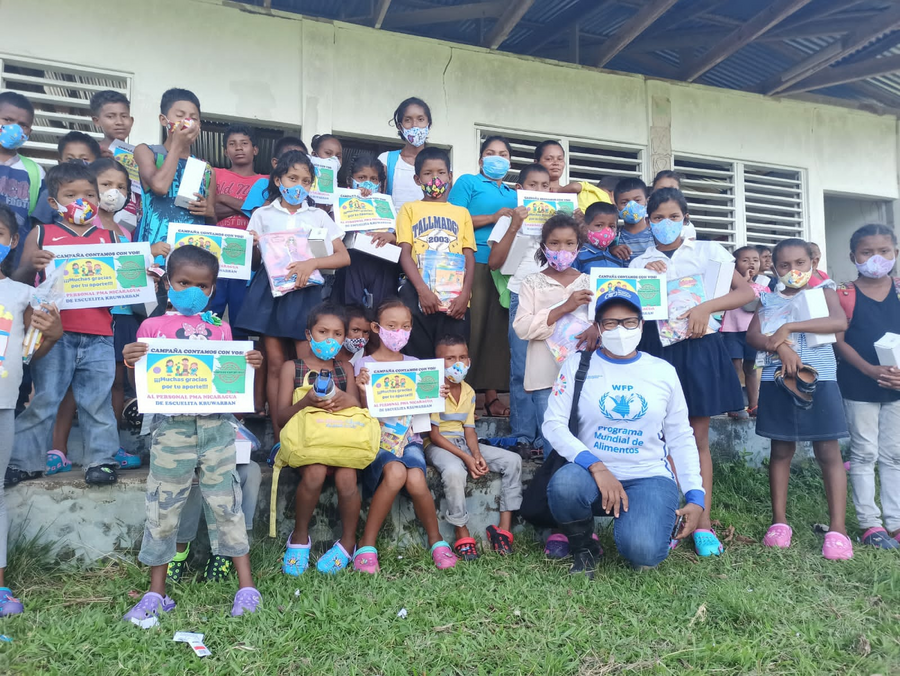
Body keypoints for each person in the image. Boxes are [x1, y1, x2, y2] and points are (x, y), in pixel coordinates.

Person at [120, 245, 264, 622]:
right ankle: (156, 593)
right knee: (163, 508)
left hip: (216, 429)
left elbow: (231, 376)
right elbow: (145, 384)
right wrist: (132, 360)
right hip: (171, 431)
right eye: (184, 282)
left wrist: (250, 362)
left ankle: (247, 588)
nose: (192, 291)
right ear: (168, 282)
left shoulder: (220, 328)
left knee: (227, 504)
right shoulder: (151, 328)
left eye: (202, 286)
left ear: (213, 289)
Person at [544, 288, 705, 576]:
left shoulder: (662, 371)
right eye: (610, 323)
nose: (620, 329)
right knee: (565, 485)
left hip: (647, 476)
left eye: (629, 322)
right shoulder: (578, 364)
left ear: (642, 325)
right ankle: (585, 547)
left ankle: (644, 522)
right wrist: (596, 465)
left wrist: (695, 496)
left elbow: (680, 435)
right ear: (598, 328)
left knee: (644, 554)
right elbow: (553, 424)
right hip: (590, 474)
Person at [631, 187, 754, 557]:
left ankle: (702, 523)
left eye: (673, 216)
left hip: (700, 349)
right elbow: (631, 309)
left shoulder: (708, 251)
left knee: (697, 437)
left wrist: (705, 307)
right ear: (647, 221)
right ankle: (669, 517)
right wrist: (644, 280)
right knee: (661, 438)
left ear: (685, 218)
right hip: (657, 352)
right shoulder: (641, 262)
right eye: (657, 218)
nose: (665, 224)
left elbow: (745, 293)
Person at [7, 162, 124, 486]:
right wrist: (31, 264)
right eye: (70, 194)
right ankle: (24, 461)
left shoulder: (111, 238)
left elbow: (125, 284)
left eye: (89, 194)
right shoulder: (42, 233)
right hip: (55, 334)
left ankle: (100, 461)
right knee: (44, 398)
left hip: (100, 334)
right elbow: (21, 283)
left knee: (97, 402)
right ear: (54, 202)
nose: (82, 200)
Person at [234, 151, 350, 448]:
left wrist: (312, 264)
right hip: (270, 295)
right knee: (274, 365)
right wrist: (255, 246)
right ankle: (280, 437)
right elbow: (252, 261)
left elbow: (342, 257)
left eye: (306, 181)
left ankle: (311, 431)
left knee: (306, 364)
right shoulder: (262, 214)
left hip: (306, 295)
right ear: (278, 180)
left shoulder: (318, 216)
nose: (299, 185)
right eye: (292, 179)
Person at [747, 238, 852, 560]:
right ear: (774, 267)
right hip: (778, 382)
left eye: (800, 264)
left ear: (813, 263)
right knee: (780, 451)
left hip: (821, 381)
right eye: (784, 265)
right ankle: (779, 523)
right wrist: (779, 345)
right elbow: (753, 336)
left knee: (828, 453)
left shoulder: (825, 294)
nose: (793, 271)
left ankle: (838, 530)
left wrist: (790, 327)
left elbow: (838, 323)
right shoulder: (768, 299)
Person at [353, 299, 457, 572]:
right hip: (377, 440)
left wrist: (436, 395)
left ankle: (436, 541)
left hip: (409, 439)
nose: (399, 332)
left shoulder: (415, 364)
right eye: (391, 326)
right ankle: (366, 544)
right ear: (376, 328)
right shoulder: (364, 366)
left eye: (405, 327)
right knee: (397, 473)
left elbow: (424, 412)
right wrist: (362, 392)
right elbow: (361, 413)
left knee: (416, 478)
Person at [0, 204, 63, 616]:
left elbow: (30, 352)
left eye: (0, 232)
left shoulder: (21, 294)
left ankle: (1, 586)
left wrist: (52, 334)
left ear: (11, 242)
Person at [277, 303, 363, 575]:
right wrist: (306, 401)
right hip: (306, 445)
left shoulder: (346, 368)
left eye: (337, 334)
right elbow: (281, 418)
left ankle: (349, 542)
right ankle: (299, 537)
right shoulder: (293, 368)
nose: (330, 339)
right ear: (308, 334)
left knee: (347, 477)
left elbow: (359, 410)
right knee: (314, 473)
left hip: (340, 444)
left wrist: (346, 399)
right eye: (322, 332)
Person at [425, 334, 523, 560]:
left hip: (463, 441)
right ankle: (462, 532)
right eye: (450, 358)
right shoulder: (434, 389)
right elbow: (435, 436)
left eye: (462, 357)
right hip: (438, 445)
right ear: (438, 363)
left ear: (469, 361)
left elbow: (469, 430)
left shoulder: (468, 391)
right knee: (454, 471)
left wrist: (476, 454)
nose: (457, 363)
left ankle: (504, 530)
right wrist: (467, 459)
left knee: (513, 461)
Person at [835, 224, 900, 549]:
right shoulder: (844, 294)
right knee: (863, 452)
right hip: (858, 385)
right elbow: (839, 341)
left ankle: (896, 522)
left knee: (895, 454)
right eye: (867, 252)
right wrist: (871, 370)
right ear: (853, 256)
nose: (876, 258)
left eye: (884, 251)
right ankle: (870, 524)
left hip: (897, 386)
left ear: (896, 254)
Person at [513, 214, 596, 460]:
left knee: (582, 439)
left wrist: (597, 329)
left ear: (579, 247)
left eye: (570, 243)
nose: (562, 249)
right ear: (543, 246)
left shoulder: (590, 283)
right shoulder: (532, 283)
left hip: (583, 375)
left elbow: (604, 322)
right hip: (544, 377)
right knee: (553, 443)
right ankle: (550, 489)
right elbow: (522, 327)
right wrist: (564, 308)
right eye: (555, 243)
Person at [448, 135, 516, 418]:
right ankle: (466, 394)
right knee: (472, 329)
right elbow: (453, 217)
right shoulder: (469, 182)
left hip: (506, 268)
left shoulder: (516, 192)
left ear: (510, 161)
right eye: (490, 152)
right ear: (480, 160)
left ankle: (490, 396)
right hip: (472, 262)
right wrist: (493, 218)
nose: (497, 157)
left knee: (497, 333)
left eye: (502, 153)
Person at [488, 164, 549, 458]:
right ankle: (524, 435)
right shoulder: (510, 218)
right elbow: (494, 261)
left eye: (545, 186)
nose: (539, 191)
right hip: (522, 295)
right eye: (532, 185)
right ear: (520, 190)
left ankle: (547, 437)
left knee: (552, 368)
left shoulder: (558, 220)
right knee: (523, 367)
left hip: (555, 298)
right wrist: (515, 225)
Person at [396, 147, 475, 359]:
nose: (435, 178)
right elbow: (405, 254)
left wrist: (465, 294)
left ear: (450, 176)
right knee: (420, 357)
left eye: (441, 173)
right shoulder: (409, 209)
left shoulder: (461, 213)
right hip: (420, 297)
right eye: (428, 173)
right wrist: (422, 291)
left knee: (452, 357)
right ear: (416, 178)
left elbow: (469, 256)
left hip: (455, 299)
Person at [89, 158, 142, 468]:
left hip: (122, 313)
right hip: (92, 314)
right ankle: (59, 446)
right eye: (106, 184)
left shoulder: (125, 230)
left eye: (121, 186)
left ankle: (113, 446)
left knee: (118, 381)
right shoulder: (85, 225)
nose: (114, 191)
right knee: (84, 383)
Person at [134, 88, 216, 265]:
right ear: (164, 120)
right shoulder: (147, 152)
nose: (188, 122)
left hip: (190, 262)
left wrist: (209, 212)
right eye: (180, 115)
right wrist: (177, 145)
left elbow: (211, 223)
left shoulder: (206, 169)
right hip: (153, 257)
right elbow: (160, 187)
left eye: (194, 118)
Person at [167, 460, 262, 582]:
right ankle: (179, 549)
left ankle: (227, 548)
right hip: (187, 459)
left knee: (251, 470)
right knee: (188, 477)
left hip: (225, 460)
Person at [210, 124, 264, 335]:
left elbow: (262, 214)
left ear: (255, 149)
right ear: (225, 151)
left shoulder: (265, 181)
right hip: (215, 257)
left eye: (244, 143)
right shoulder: (215, 174)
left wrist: (223, 198)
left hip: (248, 261)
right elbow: (209, 210)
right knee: (210, 319)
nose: (238, 148)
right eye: (232, 144)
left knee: (241, 324)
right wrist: (246, 209)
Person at [332, 154, 399, 309]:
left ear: (380, 184)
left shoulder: (388, 207)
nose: (367, 183)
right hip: (352, 266)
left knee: (380, 311)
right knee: (349, 312)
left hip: (382, 267)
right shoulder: (340, 203)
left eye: (374, 179)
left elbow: (400, 239)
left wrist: (392, 236)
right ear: (350, 180)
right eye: (361, 177)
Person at [0, 91, 46, 267]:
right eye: (8, 120)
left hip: (16, 264)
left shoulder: (35, 172)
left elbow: (37, 222)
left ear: (29, 132)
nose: (15, 128)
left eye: (23, 124)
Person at [721, 245, 766, 419]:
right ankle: (734, 404)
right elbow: (730, 299)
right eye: (745, 260)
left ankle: (754, 405)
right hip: (732, 331)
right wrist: (744, 283)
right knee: (735, 367)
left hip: (753, 333)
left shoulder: (763, 286)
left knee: (751, 368)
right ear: (735, 264)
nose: (751, 264)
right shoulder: (729, 286)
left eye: (755, 260)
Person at [89, 89, 141, 231]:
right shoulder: (89, 154)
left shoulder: (140, 156)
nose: (119, 122)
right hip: (94, 226)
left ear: (131, 120)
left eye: (124, 116)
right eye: (111, 116)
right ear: (96, 121)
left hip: (132, 227)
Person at [379, 97, 433, 209]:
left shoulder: (439, 164)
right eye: (408, 120)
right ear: (400, 126)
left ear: (429, 124)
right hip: (394, 226)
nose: (415, 125)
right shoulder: (386, 160)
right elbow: (378, 199)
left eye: (421, 119)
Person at [240, 136, 308, 217]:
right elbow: (257, 217)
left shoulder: (306, 186)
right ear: (275, 163)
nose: (296, 165)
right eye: (290, 160)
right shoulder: (263, 184)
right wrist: (277, 193)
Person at [533, 141, 611, 212]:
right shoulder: (528, 192)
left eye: (560, 159)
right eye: (549, 159)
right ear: (536, 163)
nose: (556, 163)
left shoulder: (577, 195)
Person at [610, 177, 653, 264]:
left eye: (637, 200)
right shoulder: (614, 236)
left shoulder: (656, 234)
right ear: (616, 206)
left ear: (646, 201)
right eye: (624, 202)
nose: (631, 205)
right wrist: (611, 249)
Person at [574, 202, 625, 273]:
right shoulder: (577, 255)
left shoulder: (617, 257)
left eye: (611, 226)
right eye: (599, 225)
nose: (606, 231)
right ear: (585, 227)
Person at [335, 303, 371, 368]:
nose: (361, 337)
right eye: (355, 330)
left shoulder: (361, 354)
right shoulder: (329, 350)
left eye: (366, 332)